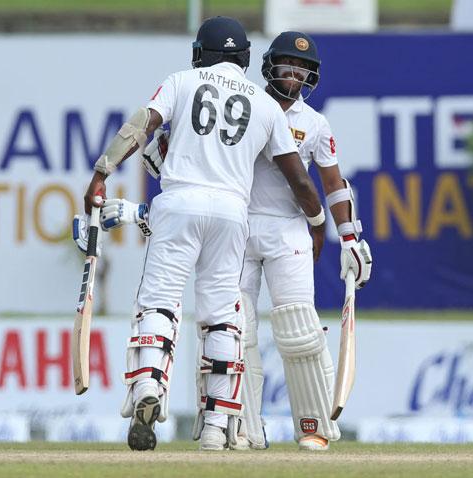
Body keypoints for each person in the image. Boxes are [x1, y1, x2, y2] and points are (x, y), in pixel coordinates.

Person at [80, 16, 326, 452]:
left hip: (179, 203)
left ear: (200, 54)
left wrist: (102, 172)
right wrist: (318, 225)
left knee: (159, 301)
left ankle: (147, 389)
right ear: (246, 59)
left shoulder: (182, 81)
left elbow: (143, 125)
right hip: (233, 214)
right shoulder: (267, 107)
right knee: (222, 316)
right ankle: (215, 425)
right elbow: (301, 183)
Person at [142, 31, 372, 451]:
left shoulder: (315, 124)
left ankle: (313, 425)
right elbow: (178, 151)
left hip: (288, 230)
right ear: (268, 66)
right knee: (234, 328)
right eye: (286, 68)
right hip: (240, 224)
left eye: (302, 72)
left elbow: (334, 183)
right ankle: (239, 426)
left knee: (299, 327)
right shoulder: (251, 103)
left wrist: (351, 238)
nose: (293, 78)